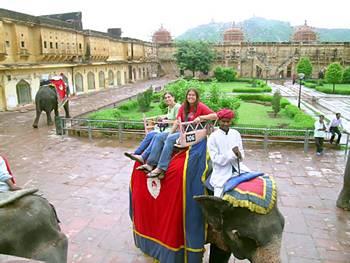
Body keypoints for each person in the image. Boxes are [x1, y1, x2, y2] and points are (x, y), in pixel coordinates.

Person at [141, 88, 217, 178]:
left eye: (193, 95)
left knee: (169, 139)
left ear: (197, 97)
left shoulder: (200, 106)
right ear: (186, 96)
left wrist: (201, 117)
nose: (191, 97)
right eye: (189, 95)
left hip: (193, 134)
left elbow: (215, 115)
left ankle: (161, 167)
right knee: (159, 137)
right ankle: (150, 164)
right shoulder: (184, 107)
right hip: (183, 132)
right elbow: (177, 121)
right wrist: (171, 133)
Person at [124, 92, 181, 164]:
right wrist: (163, 117)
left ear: (173, 97)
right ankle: (137, 153)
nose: (167, 99)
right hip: (167, 128)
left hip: (173, 129)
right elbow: (169, 116)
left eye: (169, 97)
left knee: (154, 136)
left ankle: (142, 156)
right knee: (150, 134)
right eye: (165, 98)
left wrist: (165, 121)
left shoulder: (177, 107)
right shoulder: (170, 107)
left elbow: (178, 121)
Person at [207, 109, 250, 197]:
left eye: (228, 121)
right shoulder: (213, 137)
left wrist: (239, 155)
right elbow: (215, 159)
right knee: (218, 197)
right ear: (219, 121)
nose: (226, 124)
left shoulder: (236, 134)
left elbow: (242, 156)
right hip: (221, 173)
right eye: (223, 121)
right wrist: (232, 153)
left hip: (239, 169)